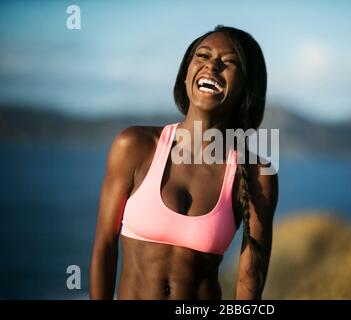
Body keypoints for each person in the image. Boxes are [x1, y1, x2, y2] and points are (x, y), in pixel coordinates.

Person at [89, 25, 278, 300]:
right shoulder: (134, 146)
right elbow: (104, 247)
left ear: (247, 85)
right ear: (186, 71)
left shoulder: (257, 174)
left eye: (229, 62)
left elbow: (250, 278)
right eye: (202, 56)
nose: (212, 66)